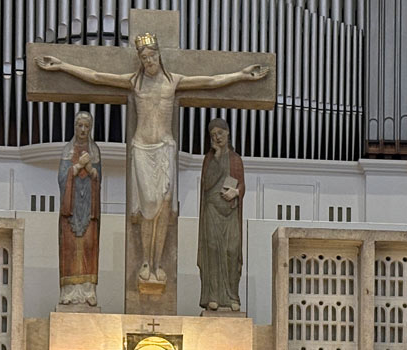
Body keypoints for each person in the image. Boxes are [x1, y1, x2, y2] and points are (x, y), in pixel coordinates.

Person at [36, 33, 269, 285]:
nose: (148, 61)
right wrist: (62, 66)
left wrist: (241, 75)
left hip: (165, 149)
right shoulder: (134, 83)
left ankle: (158, 263)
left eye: (152, 56)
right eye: (144, 58)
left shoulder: (173, 82)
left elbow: (211, 81)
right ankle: (147, 261)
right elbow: (96, 76)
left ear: (159, 55)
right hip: (142, 149)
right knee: (148, 213)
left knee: (165, 209)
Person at [198, 118, 244, 311]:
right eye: (213, 135)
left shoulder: (235, 159)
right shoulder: (209, 159)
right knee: (213, 250)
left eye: (220, 133)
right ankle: (213, 295)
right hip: (212, 211)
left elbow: (241, 184)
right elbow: (207, 183)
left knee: (232, 251)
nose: (217, 137)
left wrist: (236, 192)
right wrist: (216, 157)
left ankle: (232, 296)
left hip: (230, 213)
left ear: (228, 134)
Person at [57, 111, 101, 306]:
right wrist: (76, 167)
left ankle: (88, 290)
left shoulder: (95, 151)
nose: (83, 130)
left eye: (86, 126)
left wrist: (90, 168)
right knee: (69, 247)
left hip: (88, 208)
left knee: (89, 246)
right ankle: (68, 292)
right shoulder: (67, 150)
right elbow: (61, 178)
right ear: (74, 127)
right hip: (71, 208)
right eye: (80, 126)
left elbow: (98, 179)